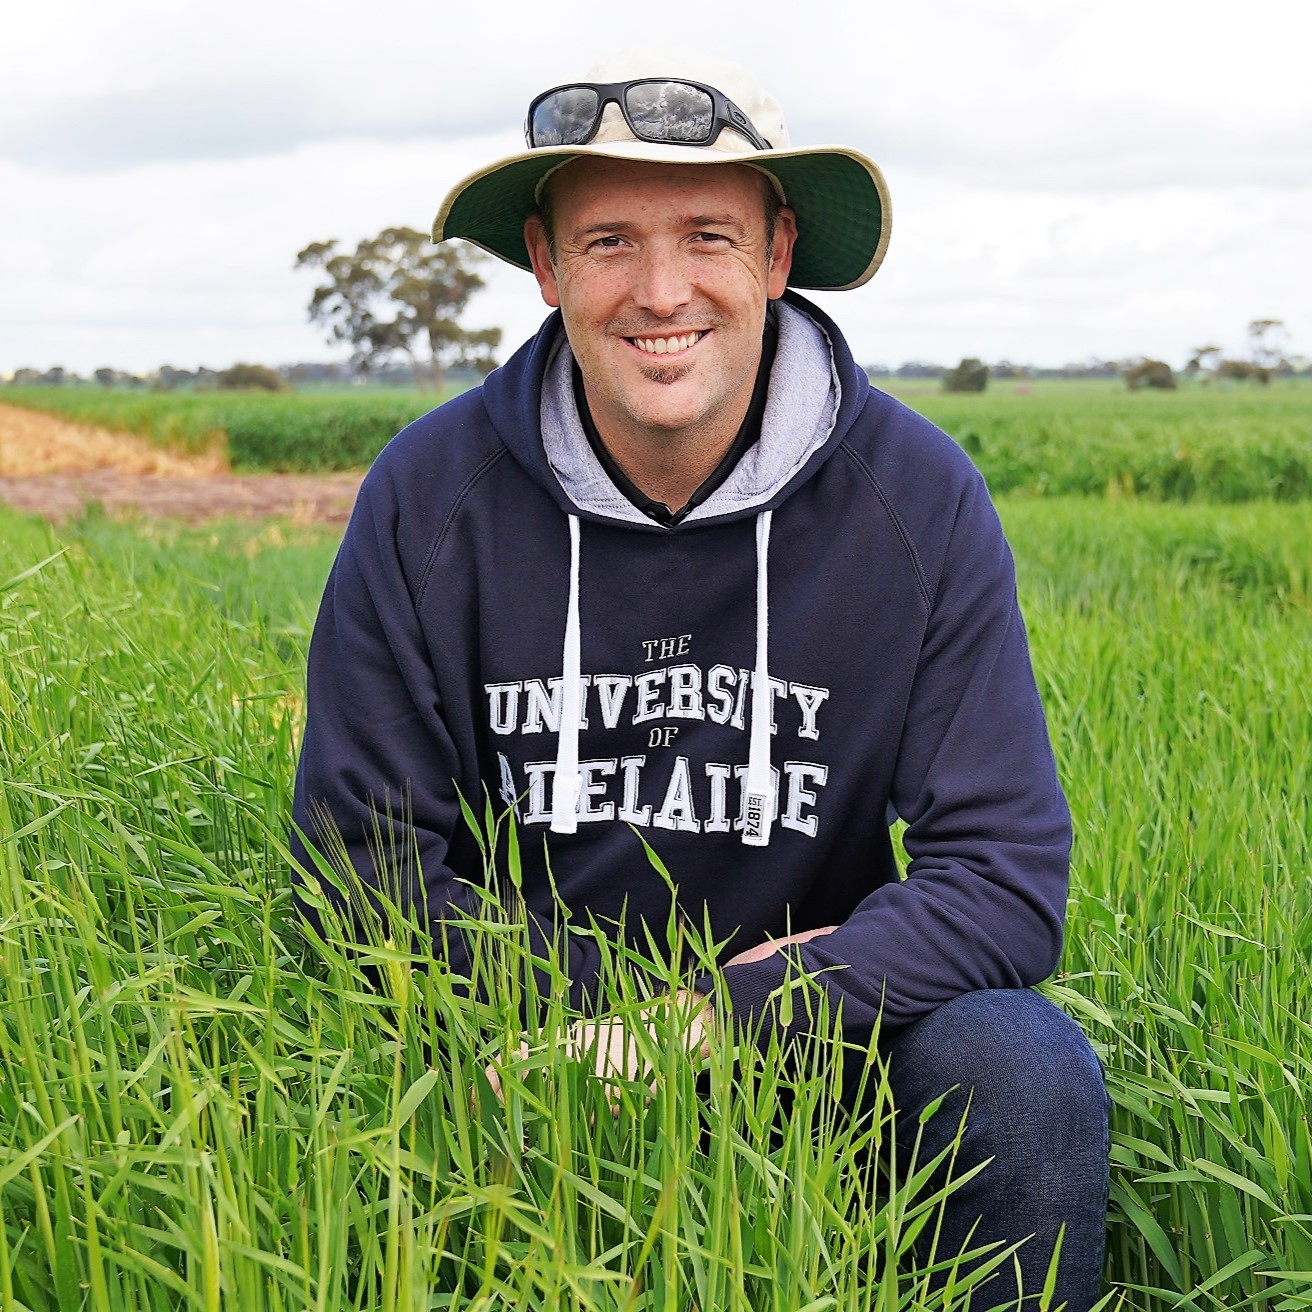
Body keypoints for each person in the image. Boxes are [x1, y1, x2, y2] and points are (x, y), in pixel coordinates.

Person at [292, 53, 1110, 1307]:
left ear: (778, 254)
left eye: (708, 236)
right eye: (609, 238)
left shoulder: (917, 496)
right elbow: (354, 868)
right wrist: (603, 1033)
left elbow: (1004, 876)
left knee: (1024, 1064)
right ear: (547, 265)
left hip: (827, 1039)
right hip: (524, 1048)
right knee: (306, 1095)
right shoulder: (427, 496)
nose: (660, 290)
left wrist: (720, 1019)